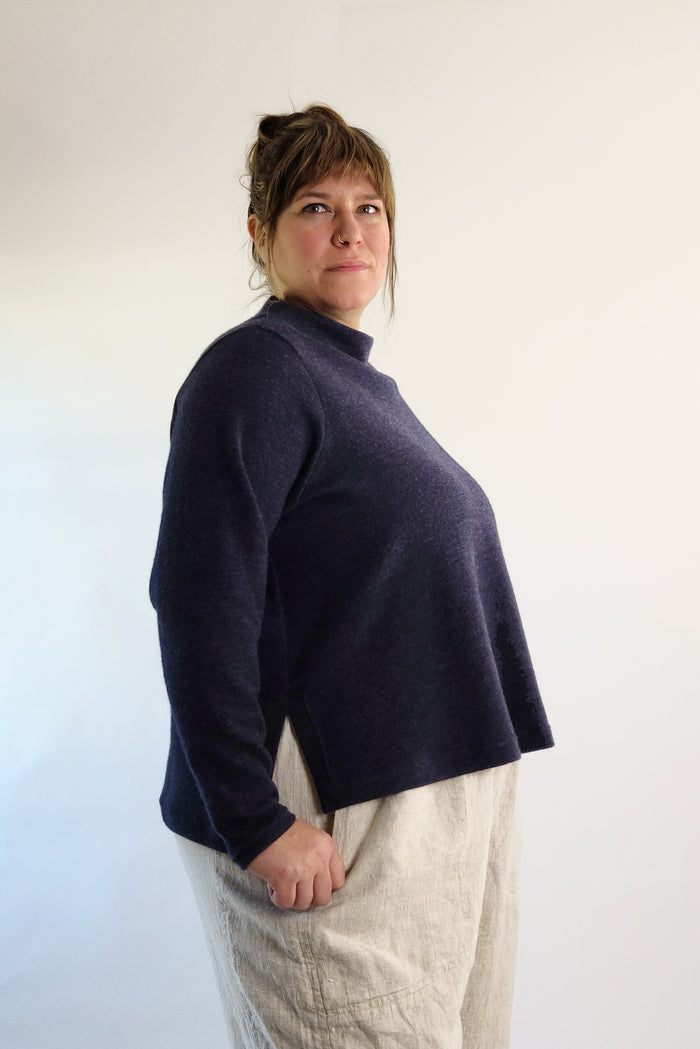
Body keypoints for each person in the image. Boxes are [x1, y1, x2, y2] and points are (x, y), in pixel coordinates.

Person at [149, 103, 555, 1049]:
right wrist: (253, 821)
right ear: (261, 232)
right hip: (333, 815)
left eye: (369, 208)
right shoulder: (253, 373)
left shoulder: (361, 388)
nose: (349, 230)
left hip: (435, 804)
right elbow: (200, 600)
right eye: (315, 207)